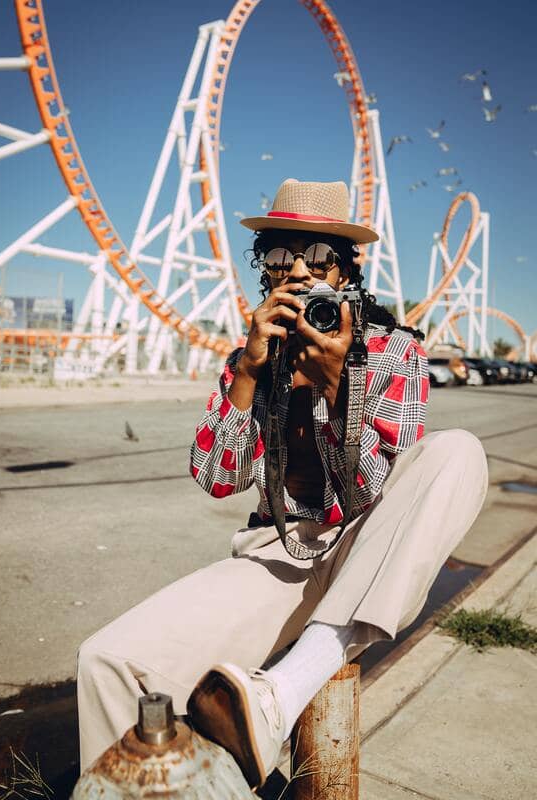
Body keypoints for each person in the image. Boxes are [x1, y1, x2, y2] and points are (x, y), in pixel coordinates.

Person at [77, 179, 488, 788]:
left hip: (368, 543)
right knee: (107, 661)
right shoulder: (250, 358)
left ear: (346, 272)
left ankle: (285, 690)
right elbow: (218, 478)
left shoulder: (394, 351)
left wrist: (334, 387)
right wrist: (247, 372)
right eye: (279, 255)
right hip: (277, 551)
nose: (298, 269)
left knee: (458, 451)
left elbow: (367, 489)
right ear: (263, 272)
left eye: (318, 256)